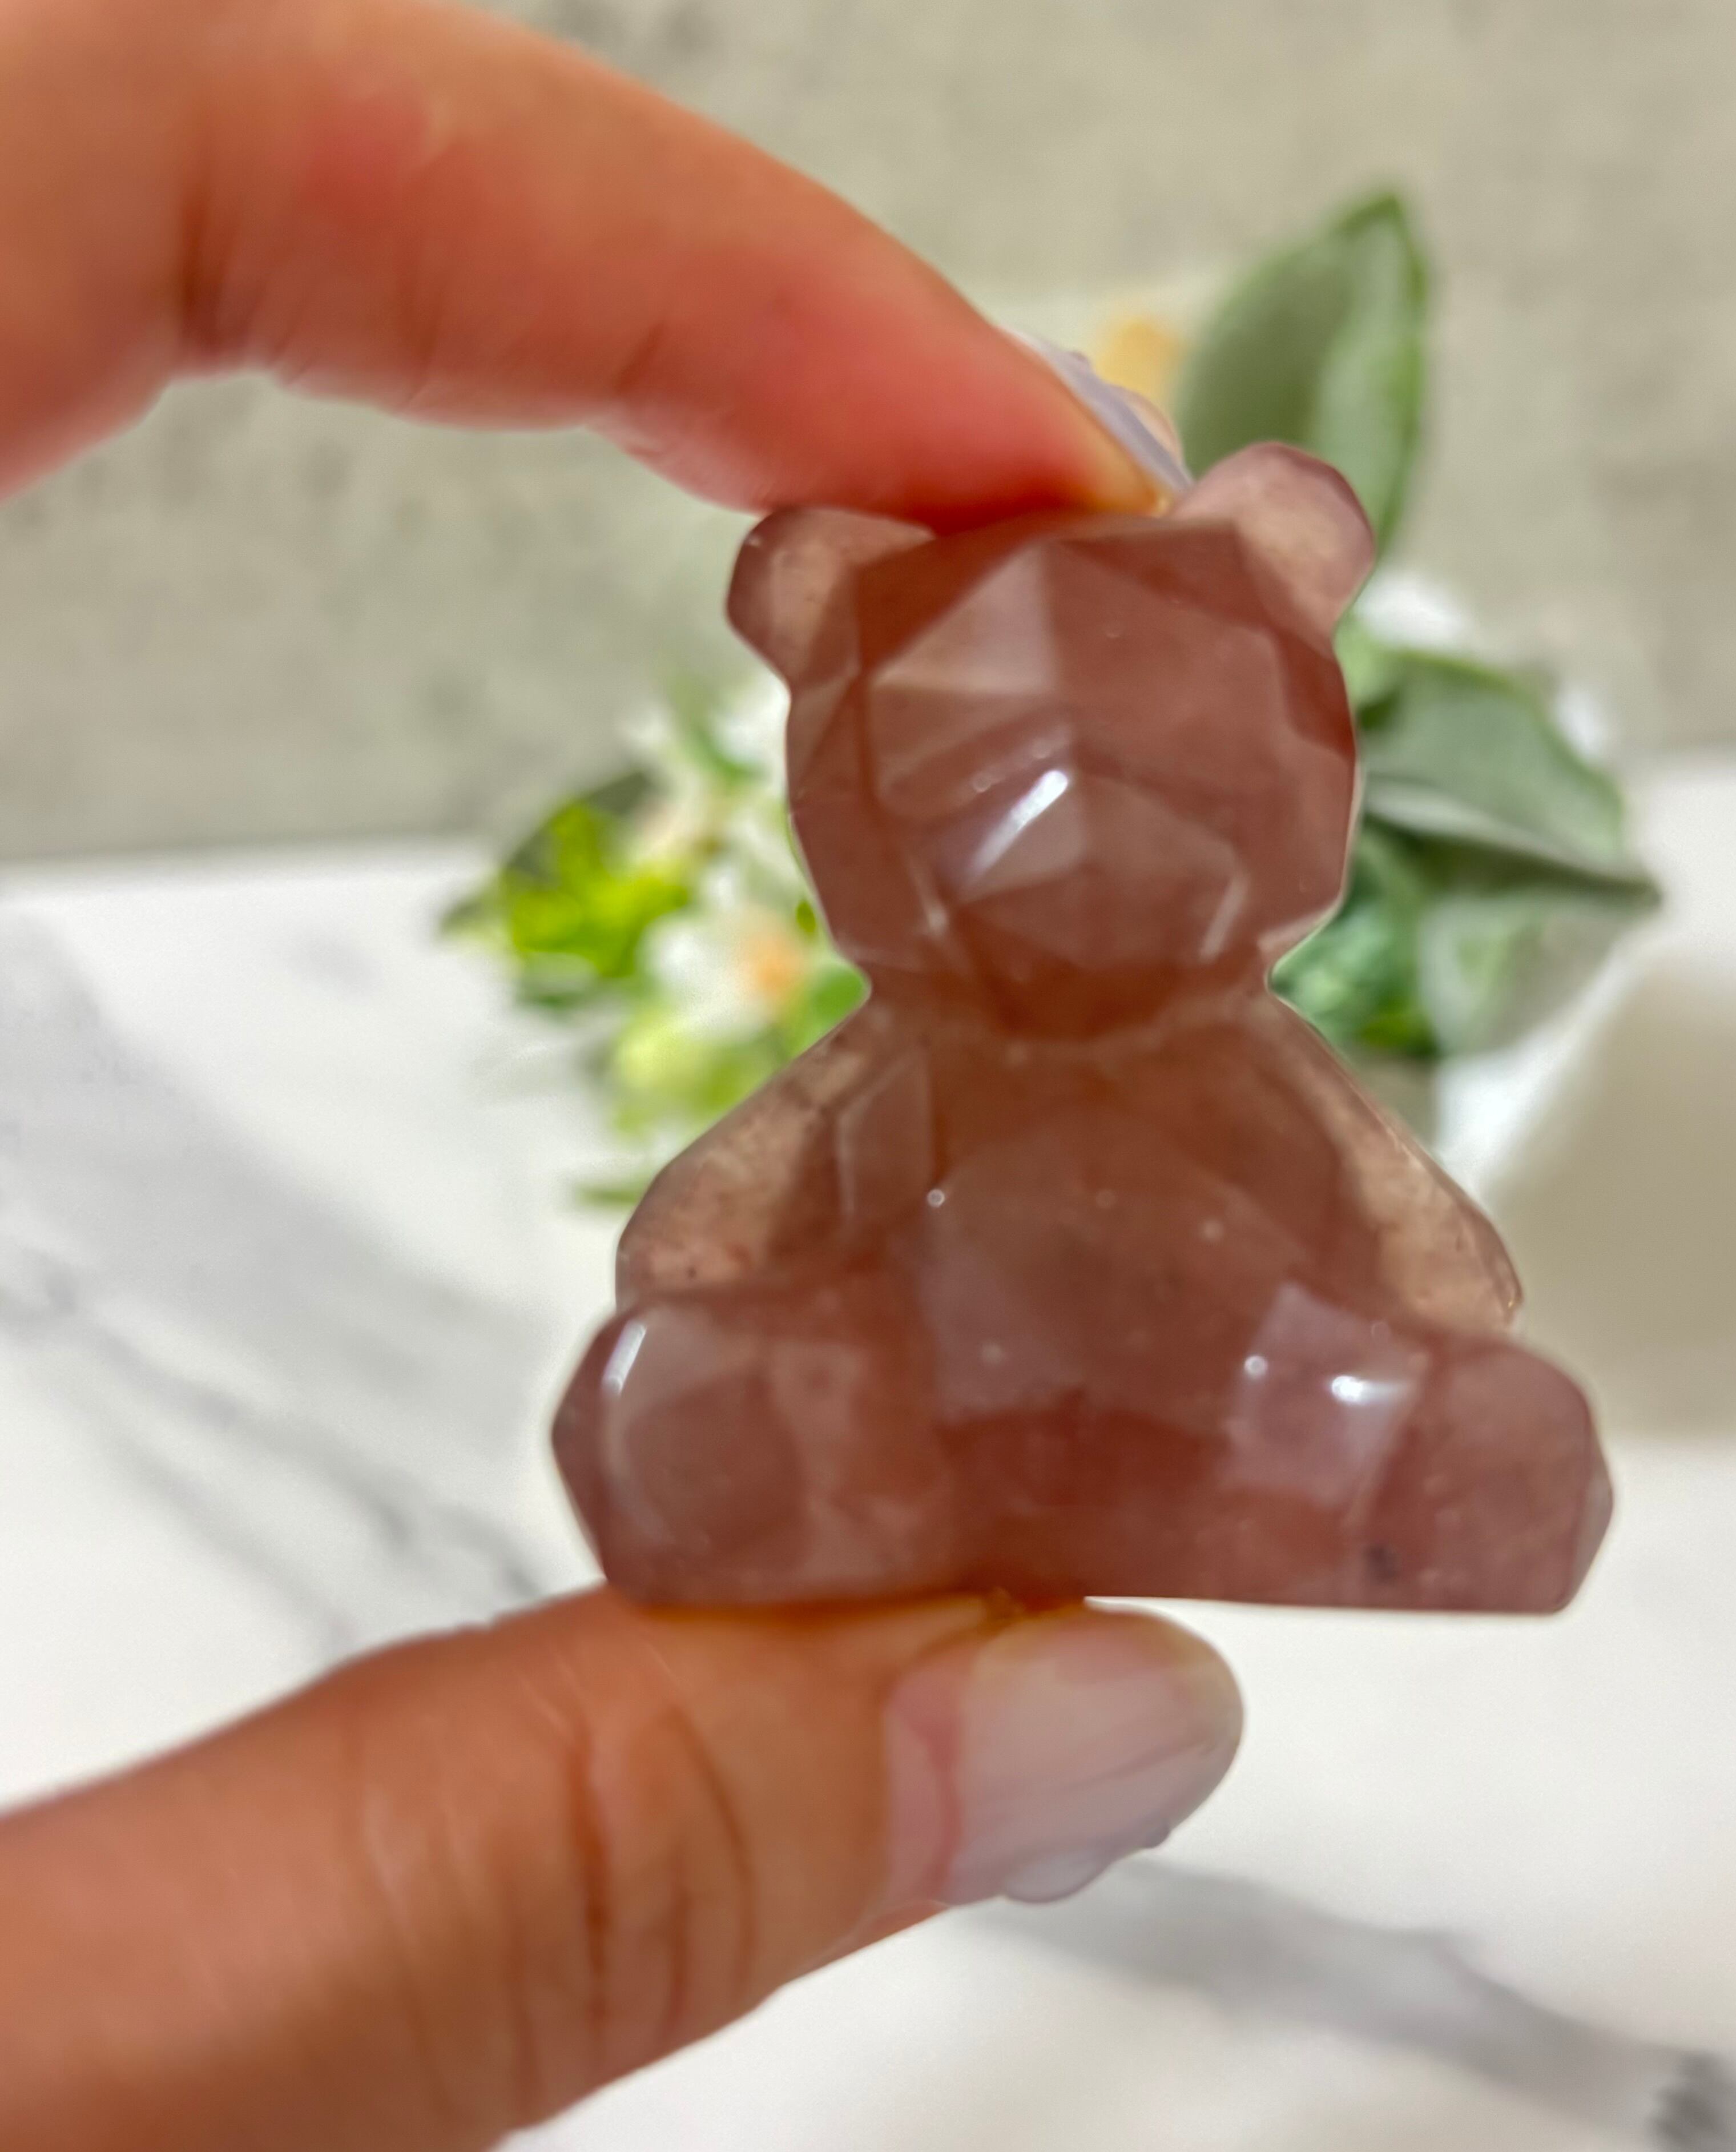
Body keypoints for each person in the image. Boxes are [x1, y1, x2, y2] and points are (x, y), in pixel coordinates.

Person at [0, 2, 1244, 2146]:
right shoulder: (898, 1057)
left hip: (1177, 1362)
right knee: (735, 1382)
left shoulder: (1220, 1062)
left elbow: (1398, 1234)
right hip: (912, 1362)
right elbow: (736, 1204)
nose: (1070, 840)